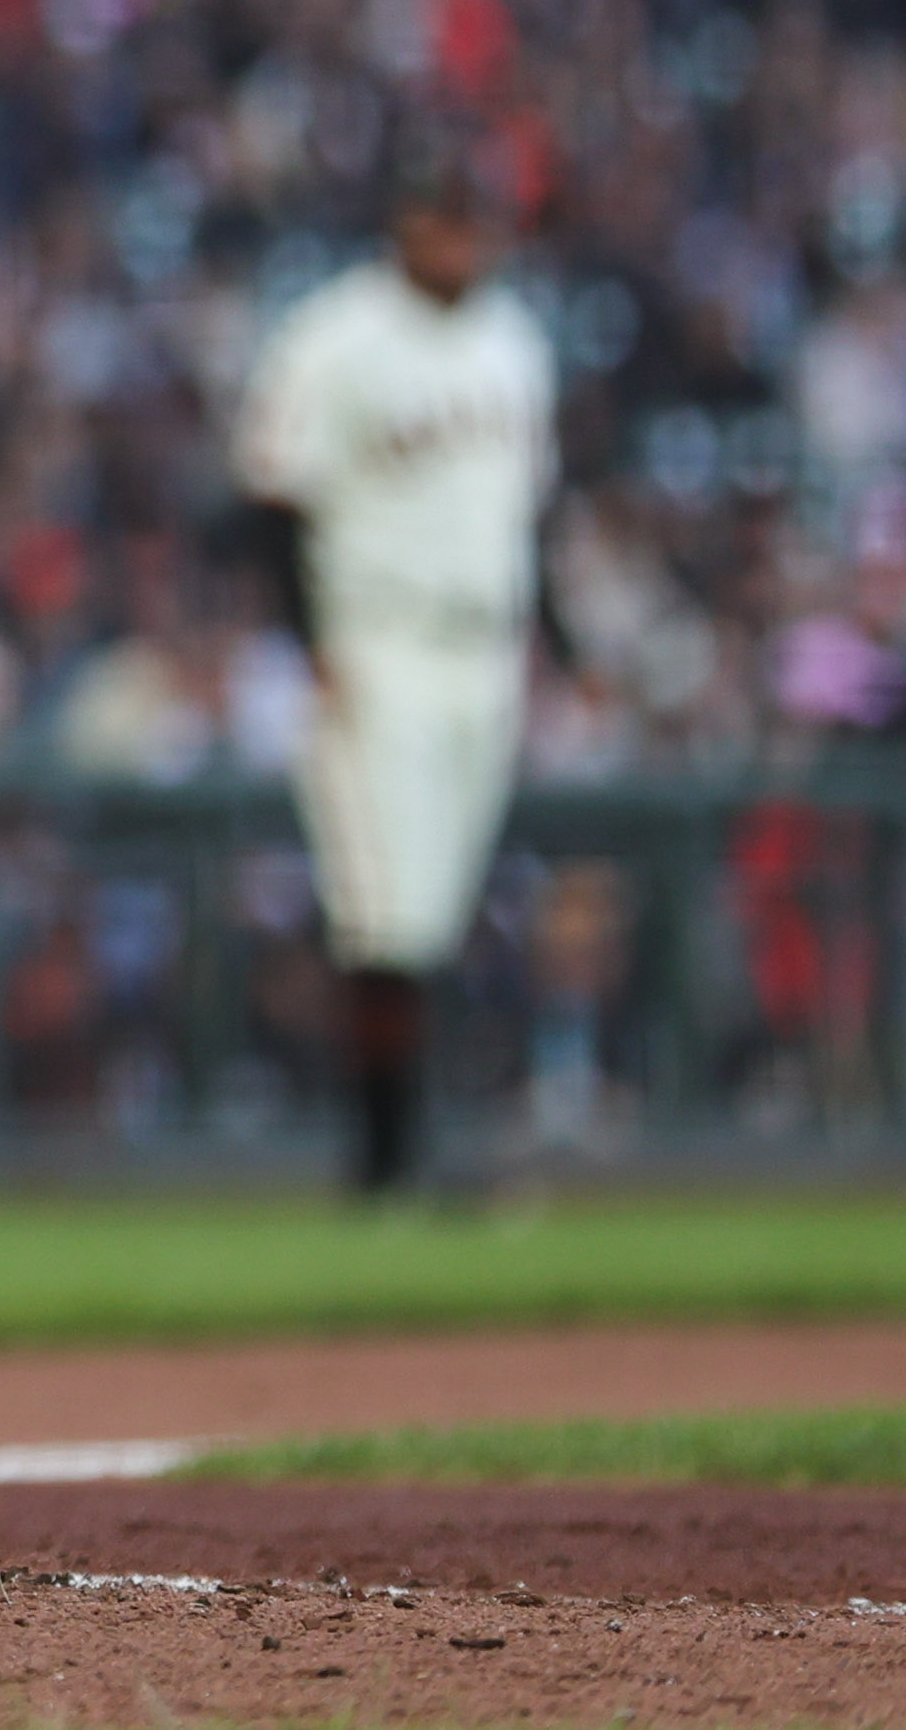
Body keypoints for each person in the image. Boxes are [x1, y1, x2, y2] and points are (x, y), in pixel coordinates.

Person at [230, 142, 556, 1197]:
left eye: (476, 218)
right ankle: (385, 1163)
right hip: (377, 642)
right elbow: (273, 503)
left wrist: (564, 644)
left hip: (487, 644)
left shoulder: (514, 337)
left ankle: (412, 1150)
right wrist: (309, 645)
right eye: (443, 216)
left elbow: (527, 514)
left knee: (439, 907)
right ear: (401, 224)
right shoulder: (334, 335)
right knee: (386, 909)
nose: (463, 237)